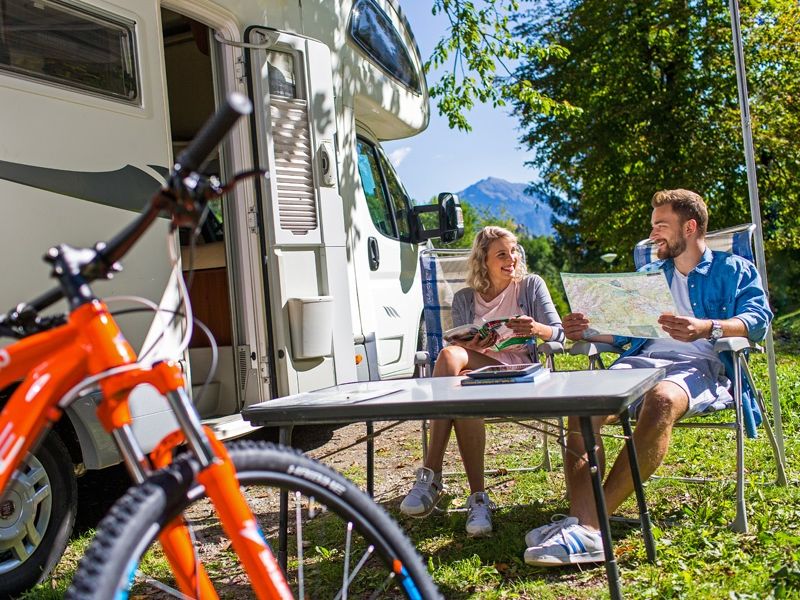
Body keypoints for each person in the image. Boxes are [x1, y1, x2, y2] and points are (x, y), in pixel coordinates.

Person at [523, 189, 773, 566]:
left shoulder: (733, 269)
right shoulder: (648, 276)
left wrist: (707, 327)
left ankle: (589, 527)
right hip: (641, 361)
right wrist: (586, 331)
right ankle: (585, 526)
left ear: (689, 227)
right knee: (581, 407)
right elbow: (625, 334)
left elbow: (757, 321)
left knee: (661, 399)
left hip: (700, 367)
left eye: (661, 225)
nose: (653, 234)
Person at [400, 226, 564, 536]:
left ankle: (434, 479)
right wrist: (474, 343)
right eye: (502, 254)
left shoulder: (530, 286)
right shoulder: (465, 298)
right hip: (481, 369)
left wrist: (535, 328)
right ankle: (472, 495)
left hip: (520, 374)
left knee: (460, 381)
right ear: (483, 261)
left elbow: (559, 333)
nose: (512, 259)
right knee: (452, 360)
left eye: (514, 251)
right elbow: (459, 343)